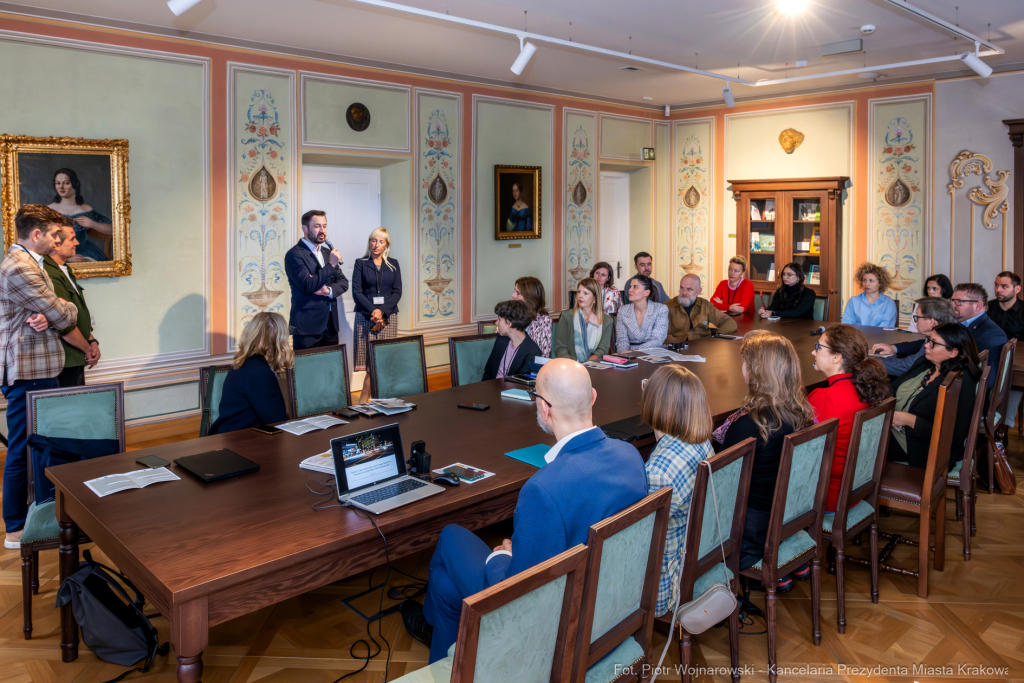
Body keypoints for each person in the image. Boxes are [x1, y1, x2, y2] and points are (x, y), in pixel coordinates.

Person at [402, 358, 648, 662]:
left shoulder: (543, 489)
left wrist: (502, 557)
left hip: (556, 626)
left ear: (545, 408)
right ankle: (449, 652)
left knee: (450, 537)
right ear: (593, 397)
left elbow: (520, 596)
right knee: (445, 587)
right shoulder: (630, 455)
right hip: (613, 605)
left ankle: (441, 641)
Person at [1, 205, 78, 549]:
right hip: (28, 371)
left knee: (41, 447)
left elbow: (52, 312)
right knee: (20, 449)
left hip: (40, 368)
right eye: (53, 234)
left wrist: (51, 314)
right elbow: (63, 311)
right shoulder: (20, 266)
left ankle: (40, 515)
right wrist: (57, 312)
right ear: (36, 234)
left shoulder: (33, 262)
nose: (58, 238)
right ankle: (15, 528)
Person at [715, 331, 815, 592]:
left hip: (751, 536)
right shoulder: (799, 412)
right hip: (786, 519)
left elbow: (721, 485)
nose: (742, 368)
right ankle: (789, 563)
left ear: (756, 371)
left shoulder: (749, 426)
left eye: (746, 362)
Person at [641, 364, 714, 617]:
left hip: (664, 585)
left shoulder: (659, 471)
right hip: (697, 557)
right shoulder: (701, 442)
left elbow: (641, 538)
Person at [808, 325, 891, 512]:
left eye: (819, 347)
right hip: (858, 487)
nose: (813, 352)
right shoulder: (866, 387)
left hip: (826, 495)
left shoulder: (823, 397)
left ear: (837, 357)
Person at [888, 323, 982, 471]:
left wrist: (910, 420)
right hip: (896, 428)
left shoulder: (959, 381)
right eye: (928, 340)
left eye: (933, 343)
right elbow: (894, 386)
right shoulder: (926, 363)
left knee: (857, 439)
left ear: (953, 352)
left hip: (920, 447)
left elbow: (956, 435)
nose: (926, 346)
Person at [876, 283, 1002, 388]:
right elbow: (926, 343)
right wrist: (895, 348)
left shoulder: (989, 334)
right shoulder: (964, 324)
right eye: (953, 301)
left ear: (978, 305)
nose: (953, 305)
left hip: (949, 388)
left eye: (959, 302)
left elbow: (985, 380)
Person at [209, 312, 292, 435]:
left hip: (230, 436)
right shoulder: (259, 373)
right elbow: (277, 422)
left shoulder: (244, 362)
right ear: (278, 341)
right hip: (243, 441)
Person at [43, 221, 100, 387]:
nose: (77, 243)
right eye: (72, 239)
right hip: (64, 359)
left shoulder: (64, 269)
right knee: (68, 410)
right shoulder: (50, 273)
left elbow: (78, 314)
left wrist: (91, 340)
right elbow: (63, 321)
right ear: (56, 245)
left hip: (75, 355)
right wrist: (87, 349)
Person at [284, 210, 348, 351]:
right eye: (317, 226)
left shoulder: (327, 252)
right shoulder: (294, 254)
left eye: (324, 226)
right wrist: (331, 265)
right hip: (307, 327)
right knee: (307, 370)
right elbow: (308, 285)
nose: (322, 231)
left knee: (332, 369)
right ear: (305, 229)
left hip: (331, 325)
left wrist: (329, 290)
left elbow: (344, 282)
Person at [352, 227, 402, 402]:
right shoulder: (361, 263)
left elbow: (397, 292)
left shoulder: (394, 264)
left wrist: (382, 311)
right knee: (370, 363)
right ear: (369, 242)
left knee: (382, 360)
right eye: (374, 240)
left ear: (386, 244)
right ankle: (366, 400)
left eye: (381, 241)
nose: (376, 244)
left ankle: (369, 400)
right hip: (366, 317)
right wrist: (373, 312)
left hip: (387, 317)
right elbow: (356, 292)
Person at [871, 297, 956, 377]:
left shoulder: (936, 346)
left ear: (932, 322)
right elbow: (919, 344)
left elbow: (905, 366)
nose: (915, 321)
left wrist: (868, 361)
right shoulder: (944, 337)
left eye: (917, 317)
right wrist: (894, 348)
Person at [47, 168, 112, 262]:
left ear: (75, 184)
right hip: (58, 255)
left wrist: (93, 224)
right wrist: (67, 257)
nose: (61, 187)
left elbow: (114, 229)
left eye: (66, 183)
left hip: (85, 252)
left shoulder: (86, 209)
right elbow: (43, 240)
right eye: (58, 183)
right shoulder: (49, 210)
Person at [988, 271, 1024, 427]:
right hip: (990, 361)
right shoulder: (987, 308)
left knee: (1012, 383)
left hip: (1016, 364)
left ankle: (1002, 427)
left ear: (1017, 289)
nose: (998, 290)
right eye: (996, 285)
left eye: (1004, 286)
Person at [665, 273, 737, 343]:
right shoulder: (667, 307)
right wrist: (681, 345)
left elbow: (729, 323)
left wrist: (716, 336)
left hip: (704, 348)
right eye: (681, 288)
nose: (683, 292)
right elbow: (663, 335)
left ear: (698, 291)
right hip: (677, 349)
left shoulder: (705, 305)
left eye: (689, 289)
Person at [554, 278, 613, 362]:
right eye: (579, 292)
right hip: (570, 366)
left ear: (595, 298)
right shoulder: (566, 316)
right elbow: (561, 348)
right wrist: (575, 367)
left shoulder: (607, 321)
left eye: (585, 293)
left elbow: (602, 350)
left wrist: (586, 365)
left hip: (594, 366)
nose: (580, 296)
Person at [481, 300, 543, 380]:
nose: (496, 323)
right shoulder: (501, 339)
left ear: (509, 324)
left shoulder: (533, 351)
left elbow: (521, 382)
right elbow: (488, 371)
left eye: (499, 319)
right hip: (491, 388)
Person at [615, 275, 669, 352]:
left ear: (646, 292)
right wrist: (625, 355)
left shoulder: (660, 309)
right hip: (628, 355)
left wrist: (635, 351)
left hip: (654, 353)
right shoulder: (623, 311)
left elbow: (658, 340)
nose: (630, 290)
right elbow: (621, 340)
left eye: (635, 287)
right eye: (630, 287)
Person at [842, 262, 897, 328]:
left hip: (880, 337)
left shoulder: (889, 303)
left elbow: (886, 326)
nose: (867, 284)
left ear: (880, 283)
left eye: (871, 281)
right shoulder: (853, 301)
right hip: (857, 337)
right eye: (864, 280)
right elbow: (847, 325)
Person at [511, 276, 552, 357]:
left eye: (518, 293)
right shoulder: (510, 316)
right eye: (514, 291)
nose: (512, 295)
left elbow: (543, 355)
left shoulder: (544, 321)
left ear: (530, 297)